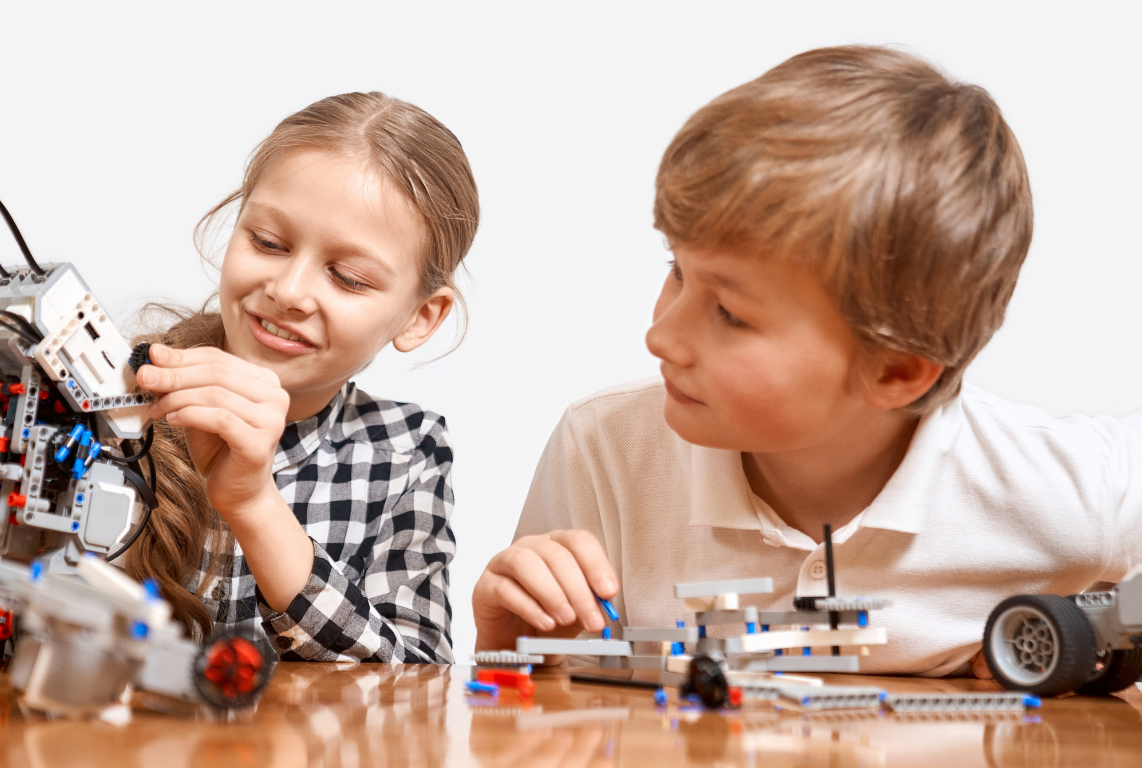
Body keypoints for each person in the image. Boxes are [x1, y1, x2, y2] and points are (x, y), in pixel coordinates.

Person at [472, 46, 1142, 676]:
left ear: (896, 371)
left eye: (731, 314)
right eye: (677, 270)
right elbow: (537, 701)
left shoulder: (1062, 489)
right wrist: (516, 651)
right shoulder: (605, 449)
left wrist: (1105, 644)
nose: (661, 338)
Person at [0, 92, 479, 664]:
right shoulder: (96, 404)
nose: (289, 291)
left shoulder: (406, 449)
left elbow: (418, 690)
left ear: (421, 316)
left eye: (349, 278)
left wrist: (253, 504)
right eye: (268, 242)